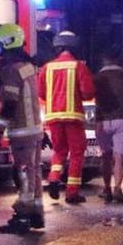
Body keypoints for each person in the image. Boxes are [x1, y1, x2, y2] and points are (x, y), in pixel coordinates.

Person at [0, 22, 46, 235]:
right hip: (34, 130)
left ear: (7, 42)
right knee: (34, 173)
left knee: (22, 173)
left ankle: (22, 216)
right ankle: (35, 215)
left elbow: (11, 103)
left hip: (22, 131)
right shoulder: (28, 66)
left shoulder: (12, 70)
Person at [40, 29, 95, 203]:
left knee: (59, 151)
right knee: (77, 153)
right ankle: (72, 193)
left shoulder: (46, 68)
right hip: (73, 117)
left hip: (53, 117)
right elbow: (88, 93)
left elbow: (40, 93)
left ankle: (54, 178)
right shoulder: (79, 66)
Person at [93, 47, 123, 203]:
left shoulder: (97, 78)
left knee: (105, 156)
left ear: (104, 60)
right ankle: (118, 189)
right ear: (119, 60)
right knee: (120, 156)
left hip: (102, 121)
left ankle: (106, 188)